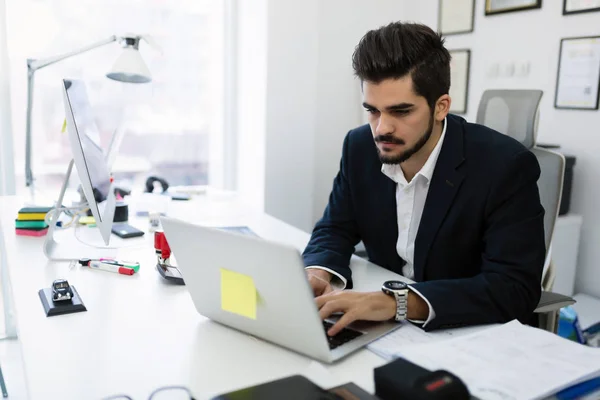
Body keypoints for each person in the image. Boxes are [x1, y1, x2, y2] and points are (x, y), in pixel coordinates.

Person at [303, 22, 546, 336]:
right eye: (372, 110)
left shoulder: (505, 166)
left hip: (468, 332)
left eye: (401, 111)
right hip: (388, 330)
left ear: (441, 107)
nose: (381, 129)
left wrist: (396, 303)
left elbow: (514, 288)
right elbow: (335, 228)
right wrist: (319, 273)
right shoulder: (359, 147)